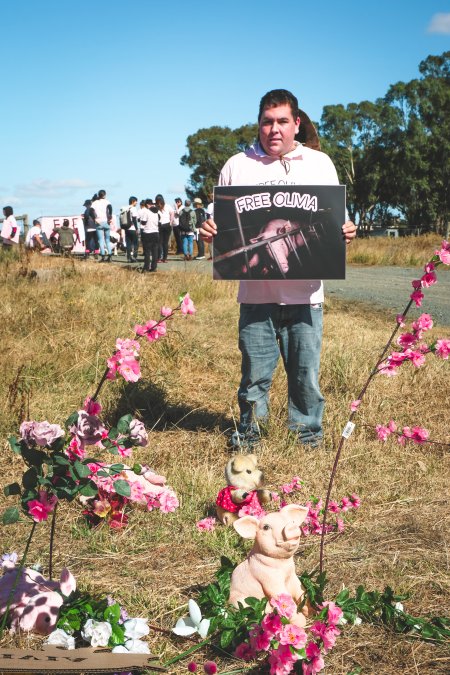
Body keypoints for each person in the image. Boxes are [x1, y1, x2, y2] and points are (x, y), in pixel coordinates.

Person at [200, 89, 356, 449]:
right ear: (258, 124)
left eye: (282, 121)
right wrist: (207, 229)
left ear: (296, 124)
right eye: (267, 122)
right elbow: (216, 222)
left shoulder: (320, 163)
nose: (274, 129)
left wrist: (346, 231)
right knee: (254, 374)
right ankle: (250, 438)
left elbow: (338, 221)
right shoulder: (236, 165)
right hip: (255, 296)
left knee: (305, 375)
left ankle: (307, 439)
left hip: (306, 295)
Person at [92, 189, 113, 262]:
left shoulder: (95, 202)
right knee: (107, 239)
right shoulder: (107, 202)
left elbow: (91, 210)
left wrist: (94, 218)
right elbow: (110, 208)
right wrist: (110, 217)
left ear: (98, 195)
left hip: (99, 222)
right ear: (105, 195)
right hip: (106, 222)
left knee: (101, 240)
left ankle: (103, 256)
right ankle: (110, 255)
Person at [139, 200, 160, 272]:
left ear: (147, 205)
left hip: (147, 232)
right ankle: (154, 267)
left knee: (147, 251)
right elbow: (159, 222)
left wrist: (140, 221)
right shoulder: (157, 212)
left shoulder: (146, 212)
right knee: (155, 251)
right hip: (156, 232)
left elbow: (143, 222)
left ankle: (146, 267)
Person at [155, 194, 174, 263]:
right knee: (165, 243)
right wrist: (171, 222)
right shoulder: (168, 206)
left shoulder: (155, 207)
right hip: (167, 225)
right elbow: (172, 214)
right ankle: (165, 258)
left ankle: (158, 258)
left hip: (159, 225)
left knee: (159, 242)